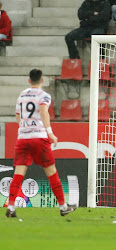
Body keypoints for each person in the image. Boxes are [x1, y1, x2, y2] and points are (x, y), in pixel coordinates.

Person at [6, 69, 77, 218]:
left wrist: (24, 129)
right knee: (51, 172)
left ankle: (11, 207)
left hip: (23, 138)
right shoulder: (43, 95)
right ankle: (63, 207)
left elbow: (18, 115)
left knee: (19, 173)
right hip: (39, 137)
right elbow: (43, 111)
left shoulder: (22, 95)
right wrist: (50, 132)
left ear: (29, 80)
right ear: (42, 80)